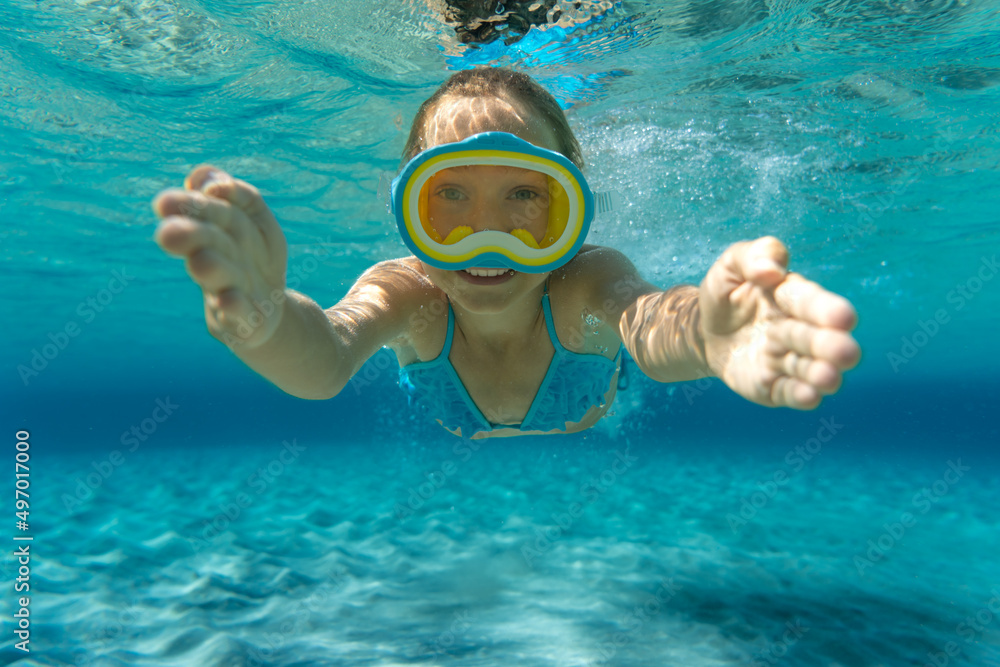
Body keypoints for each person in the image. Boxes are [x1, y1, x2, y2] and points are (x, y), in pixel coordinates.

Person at [152, 67, 860, 439]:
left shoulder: (585, 282)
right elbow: (327, 356)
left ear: (570, 212)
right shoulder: (410, 294)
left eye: (526, 198)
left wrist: (705, 332)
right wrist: (268, 322)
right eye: (449, 199)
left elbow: (647, 320)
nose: (487, 242)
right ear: (409, 211)